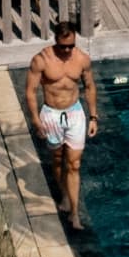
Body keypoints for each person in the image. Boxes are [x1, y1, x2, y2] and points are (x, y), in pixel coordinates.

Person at [25, 21, 97, 229]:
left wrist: (93, 117)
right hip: (51, 114)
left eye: (71, 46)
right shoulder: (41, 60)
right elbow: (30, 91)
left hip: (75, 113)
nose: (67, 50)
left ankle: (74, 213)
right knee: (57, 159)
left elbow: (90, 87)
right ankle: (64, 195)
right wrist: (35, 119)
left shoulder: (82, 59)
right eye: (63, 46)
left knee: (74, 164)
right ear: (56, 40)